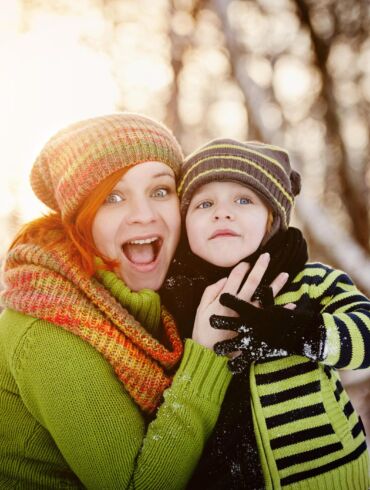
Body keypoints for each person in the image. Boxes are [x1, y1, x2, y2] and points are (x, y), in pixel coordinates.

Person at [0, 114, 266, 489]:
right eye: (113, 197)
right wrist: (208, 357)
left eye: (160, 191)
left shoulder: (166, 301)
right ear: (81, 221)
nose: (144, 215)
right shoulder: (46, 328)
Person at [162, 138, 370, 489]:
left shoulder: (309, 282)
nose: (222, 212)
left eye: (244, 200)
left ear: (272, 219)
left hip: (324, 477)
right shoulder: (171, 303)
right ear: (184, 225)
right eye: (204, 203)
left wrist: (307, 333)